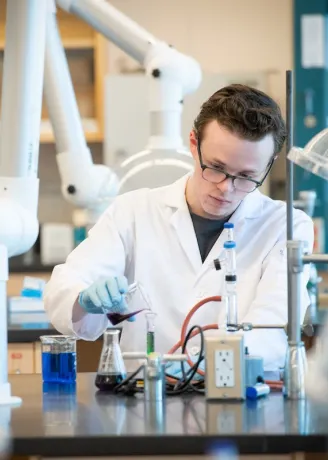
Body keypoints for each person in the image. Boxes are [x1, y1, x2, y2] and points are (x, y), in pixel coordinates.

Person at [44, 84, 314, 372]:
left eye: (247, 177)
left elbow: (271, 327)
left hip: (240, 398)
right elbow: (64, 289)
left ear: (269, 164)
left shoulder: (286, 226)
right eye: (215, 167)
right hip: (146, 397)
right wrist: (84, 299)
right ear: (194, 143)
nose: (226, 188)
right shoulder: (133, 212)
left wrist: (198, 367)